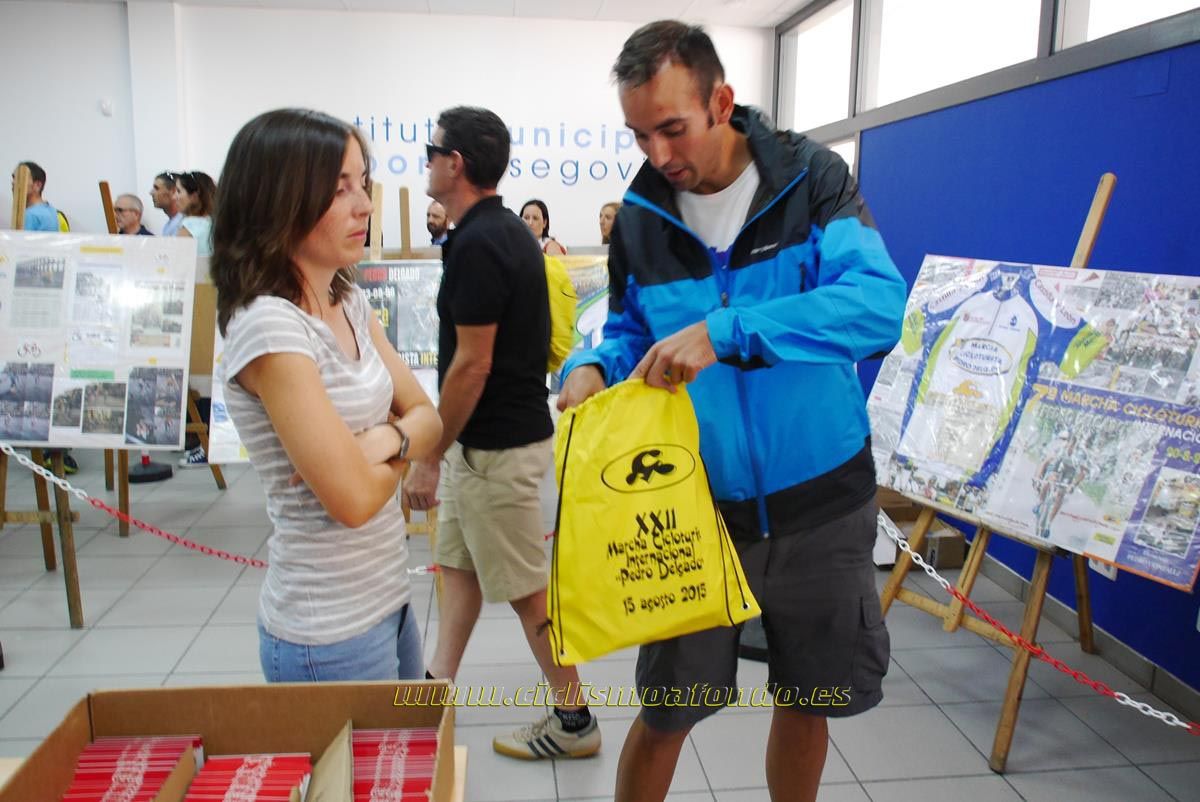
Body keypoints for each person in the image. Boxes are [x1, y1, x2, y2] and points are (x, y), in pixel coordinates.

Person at [556, 21, 907, 802]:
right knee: (668, 710)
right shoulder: (643, 219)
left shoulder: (813, 180)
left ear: (722, 100)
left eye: (672, 128)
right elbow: (629, 335)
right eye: (639, 133)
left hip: (822, 503)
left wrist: (731, 331)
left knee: (806, 700)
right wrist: (588, 366)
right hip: (693, 515)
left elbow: (878, 308)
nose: (657, 154)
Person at [211, 107, 442, 682]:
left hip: (387, 599)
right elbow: (354, 501)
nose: (364, 205)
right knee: (358, 775)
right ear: (277, 200)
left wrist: (377, 441)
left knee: (405, 763)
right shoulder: (271, 327)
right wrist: (391, 448)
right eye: (339, 190)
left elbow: (430, 419)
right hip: (327, 631)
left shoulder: (351, 303)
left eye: (362, 183)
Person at [405, 106, 601, 760]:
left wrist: (428, 455)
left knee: (525, 593)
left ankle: (575, 722)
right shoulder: (499, 233)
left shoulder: (484, 242)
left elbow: (473, 364)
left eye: (432, 151)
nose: (428, 161)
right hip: (480, 445)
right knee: (456, 571)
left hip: (495, 450)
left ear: (455, 163)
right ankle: (432, 697)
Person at [175, 171, 216, 256]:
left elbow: (180, 263)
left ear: (194, 196)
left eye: (179, 191)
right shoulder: (218, 224)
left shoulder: (188, 227)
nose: (174, 197)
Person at [12, 162, 59, 232]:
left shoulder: (29, 215)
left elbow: (18, 242)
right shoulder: (51, 210)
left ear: (38, 185)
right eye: (14, 178)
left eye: (20, 178)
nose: (13, 182)